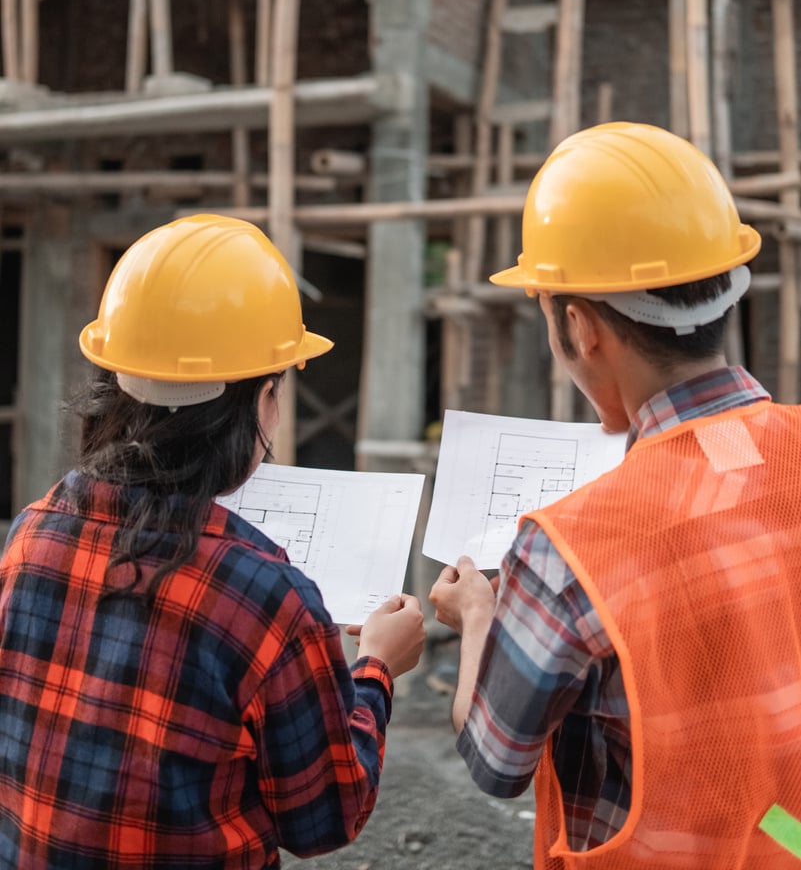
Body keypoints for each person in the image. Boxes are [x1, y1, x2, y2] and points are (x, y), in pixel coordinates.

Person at [0, 213, 425, 869]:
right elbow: (323, 819)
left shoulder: (31, 534)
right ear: (259, 401)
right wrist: (374, 668)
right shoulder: (266, 597)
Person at [430, 122, 801, 868]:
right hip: (782, 838)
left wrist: (476, 616)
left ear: (578, 325)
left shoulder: (569, 545)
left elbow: (495, 757)